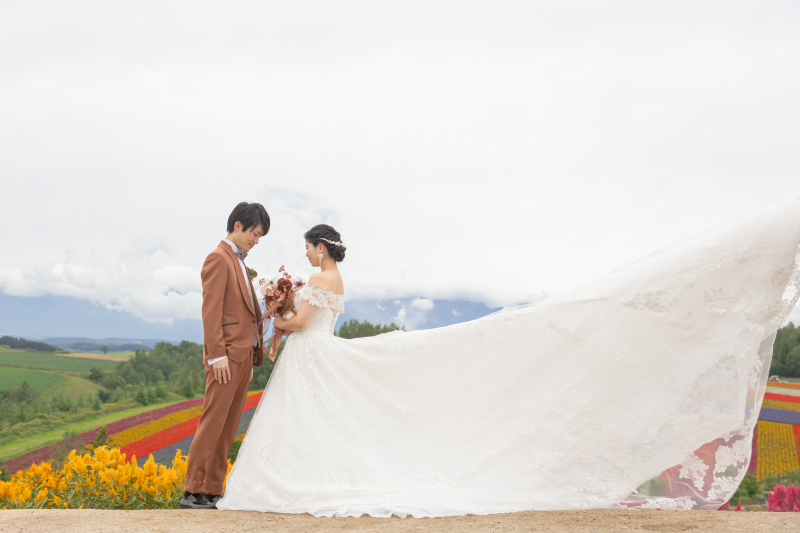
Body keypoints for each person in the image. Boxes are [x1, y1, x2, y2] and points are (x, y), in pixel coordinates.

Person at [219, 202, 800, 516]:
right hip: (316, 357)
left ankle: (291, 483)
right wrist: (285, 305)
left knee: (314, 424)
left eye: (307, 246)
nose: (305, 252)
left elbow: (299, 324)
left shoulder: (323, 279)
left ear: (320, 248)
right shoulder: (333, 276)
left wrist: (279, 308)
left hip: (313, 356)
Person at [180, 202, 271, 510]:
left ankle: (212, 490)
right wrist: (216, 354)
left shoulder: (241, 263)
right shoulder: (218, 258)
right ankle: (193, 490)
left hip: (244, 356)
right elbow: (211, 310)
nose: (256, 241)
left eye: (260, 236)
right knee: (213, 422)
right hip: (226, 357)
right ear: (238, 226)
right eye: (255, 234)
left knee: (229, 424)